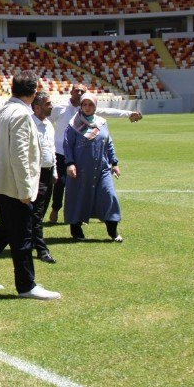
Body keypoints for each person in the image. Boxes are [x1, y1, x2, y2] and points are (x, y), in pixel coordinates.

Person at [0, 71, 60, 300]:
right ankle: (26, 284)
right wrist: (26, 190)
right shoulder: (20, 114)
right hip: (13, 185)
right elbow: (20, 155)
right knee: (23, 234)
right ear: (34, 90)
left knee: (8, 228)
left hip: (2, 181)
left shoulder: (1, 110)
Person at [47, 83, 142, 224]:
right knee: (60, 184)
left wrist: (128, 114)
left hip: (81, 155)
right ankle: (55, 210)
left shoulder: (87, 108)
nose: (79, 93)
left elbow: (107, 112)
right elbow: (45, 120)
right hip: (61, 152)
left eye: (82, 91)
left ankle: (84, 213)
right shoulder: (60, 107)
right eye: (76, 90)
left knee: (84, 184)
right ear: (71, 92)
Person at [63, 93, 125, 242]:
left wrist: (114, 163)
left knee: (108, 195)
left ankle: (113, 231)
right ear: (81, 106)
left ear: (95, 106)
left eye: (90, 104)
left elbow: (108, 143)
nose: (87, 107)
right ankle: (76, 231)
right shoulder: (73, 124)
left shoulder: (102, 122)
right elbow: (67, 145)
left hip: (101, 168)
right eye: (84, 104)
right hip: (80, 169)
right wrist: (70, 163)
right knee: (78, 198)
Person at [30, 92, 58, 264]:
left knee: (41, 210)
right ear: (37, 106)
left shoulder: (49, 124)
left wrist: (54, 170)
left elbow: (51, 148)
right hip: (36, 174)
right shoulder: (30, 124)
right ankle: (41, 249)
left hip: (48, 172)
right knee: (37, 213)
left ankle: (32, 240)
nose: (51, 106)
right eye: (48, 103)